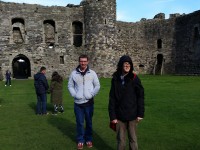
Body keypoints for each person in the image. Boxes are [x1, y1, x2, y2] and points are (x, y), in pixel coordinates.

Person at [108, 55, 145, 150]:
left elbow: (140, 96)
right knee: (121, 140)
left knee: (133, 139)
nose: (127, 65)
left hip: (132, 115)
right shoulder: (115, 78)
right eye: (125, 63)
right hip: (119, 116)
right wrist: (112, 116)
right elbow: (112, 98)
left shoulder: (135, 78)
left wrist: (140, 114)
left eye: (129, 63)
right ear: (121, 65)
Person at [68, 54, 100, 150]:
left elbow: (97, 85)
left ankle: (89, 139)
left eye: (84, 61)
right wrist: (75, 94)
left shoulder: (92, 73)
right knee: (80, 123)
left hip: (89, 103)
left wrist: (91, 94)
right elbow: (70, 86)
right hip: (78, 104)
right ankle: (80, 140)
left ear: (87, 62)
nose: (83, 63)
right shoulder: (74, 73)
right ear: (79, 62)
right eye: (81, 61)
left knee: (89, 122)